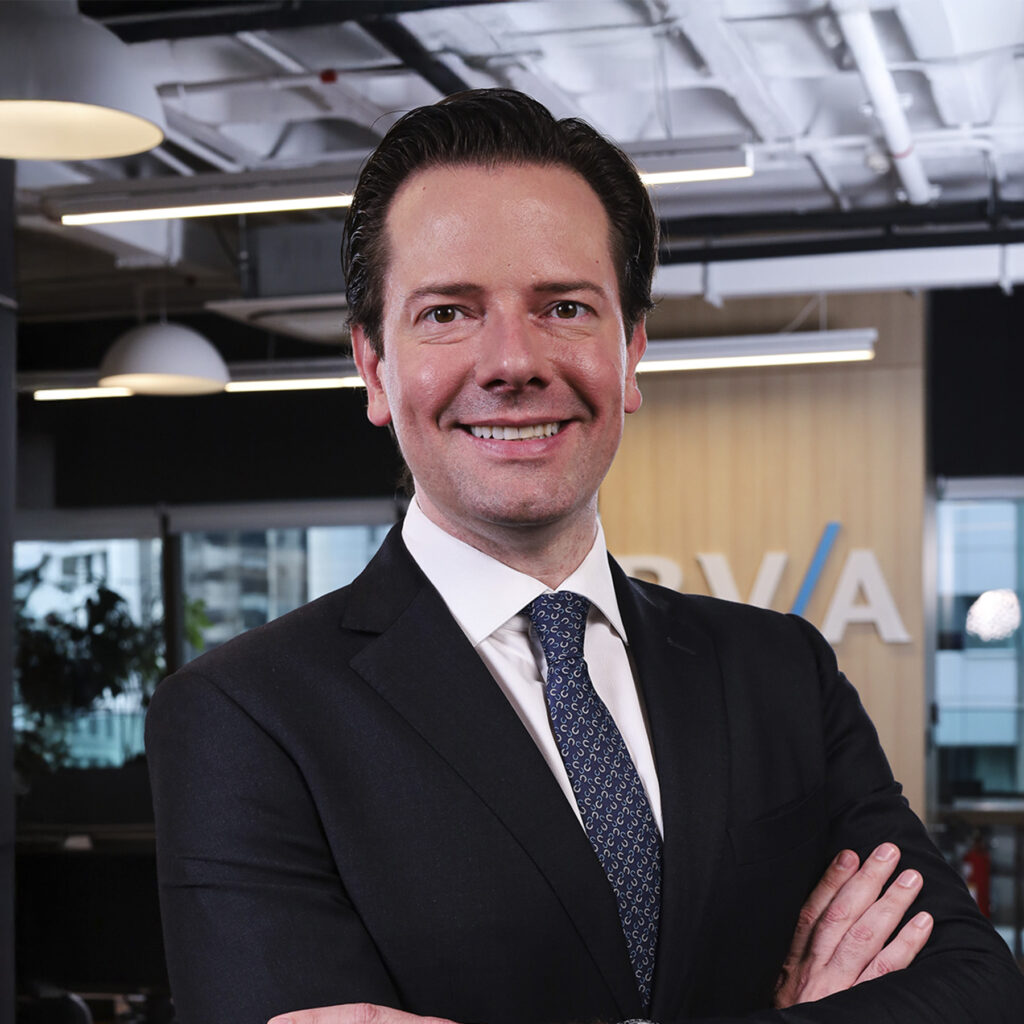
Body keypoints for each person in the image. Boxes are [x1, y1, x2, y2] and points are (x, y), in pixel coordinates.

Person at [145, 90, 1024, 1024]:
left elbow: (976, 990)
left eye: (564, 306)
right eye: (447, 313)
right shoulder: (246, 716)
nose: (513, 362)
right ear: (373, 367)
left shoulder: (780, 672)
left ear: (631, 349)